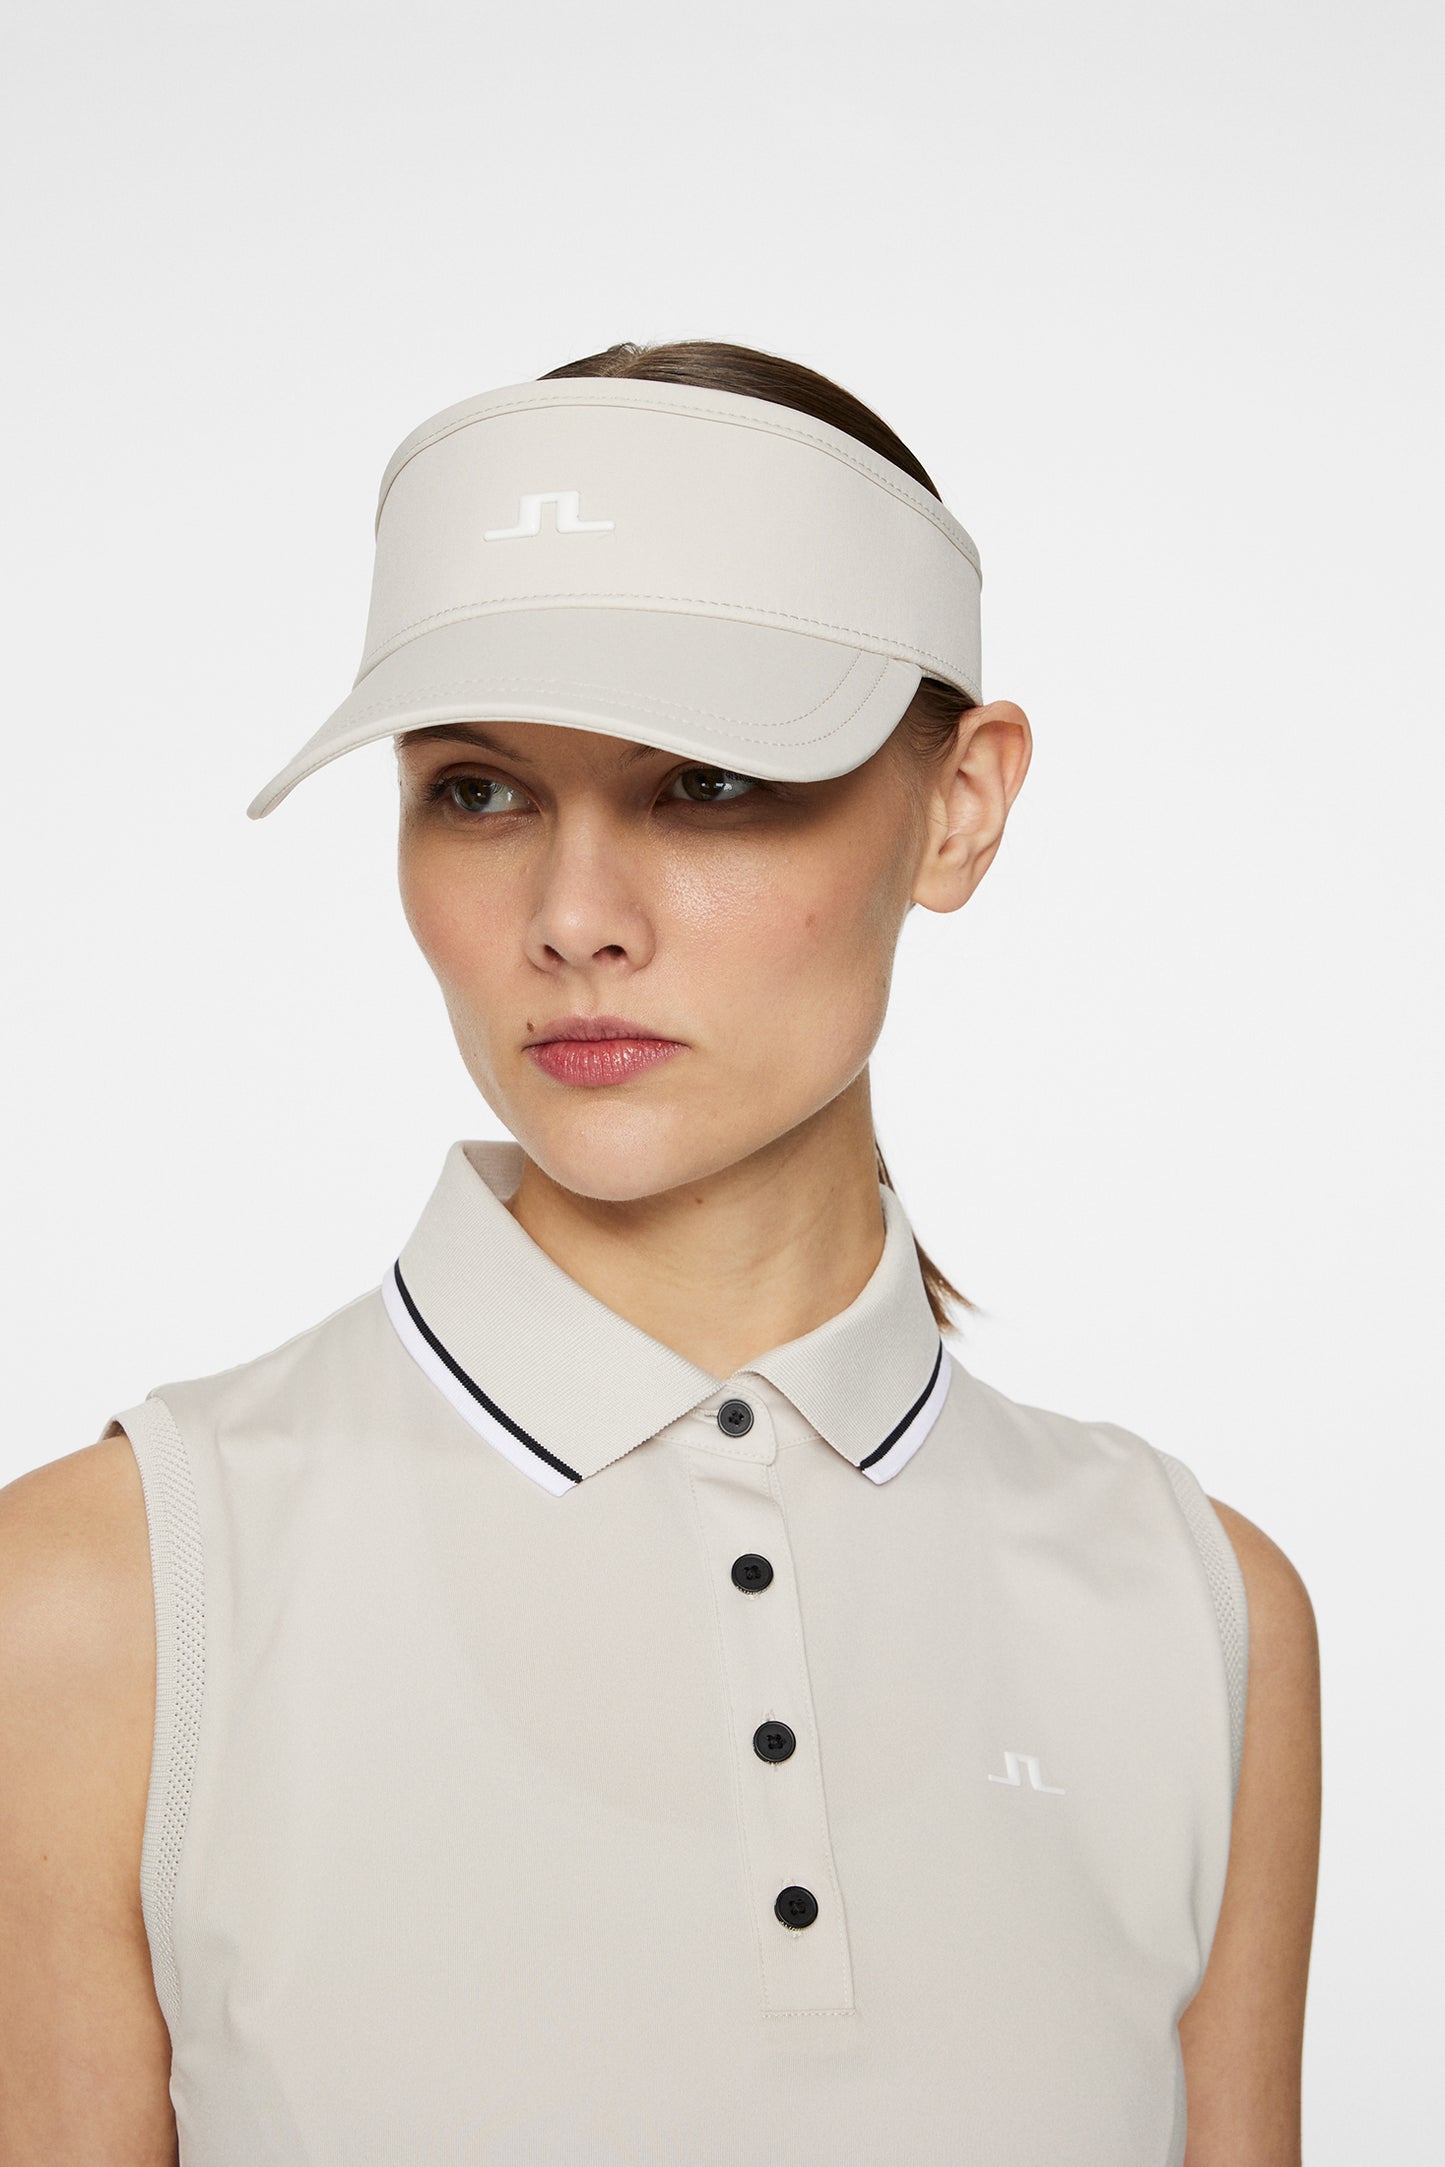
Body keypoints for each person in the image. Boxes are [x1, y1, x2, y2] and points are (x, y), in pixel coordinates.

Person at [0, 339, 1321, 2165]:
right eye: (480, 790)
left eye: (704, 783)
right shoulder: (108, 1601)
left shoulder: (1193, 1610)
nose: (573, 920)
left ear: (959, 803)